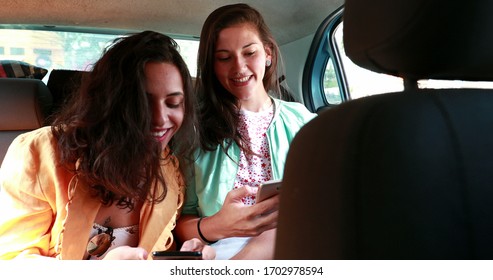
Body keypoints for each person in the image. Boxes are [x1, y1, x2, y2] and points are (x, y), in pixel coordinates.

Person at [0, 30, 214, 260]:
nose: (161, 119)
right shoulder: (37, 154)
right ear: (109, 102)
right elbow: (12, 263)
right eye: (142, 103)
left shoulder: (171, 174)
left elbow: (152, 254)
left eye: (173, 103)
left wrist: (182, 260)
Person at [174, 4, 317, 260]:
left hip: (291, 245)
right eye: (224, 58)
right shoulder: (193, 128)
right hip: (219, 249)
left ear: (268, 53)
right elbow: (179, 219)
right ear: (212, 65)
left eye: (249, 52)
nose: (239, 67)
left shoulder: (303, 121)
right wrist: (219, 225)